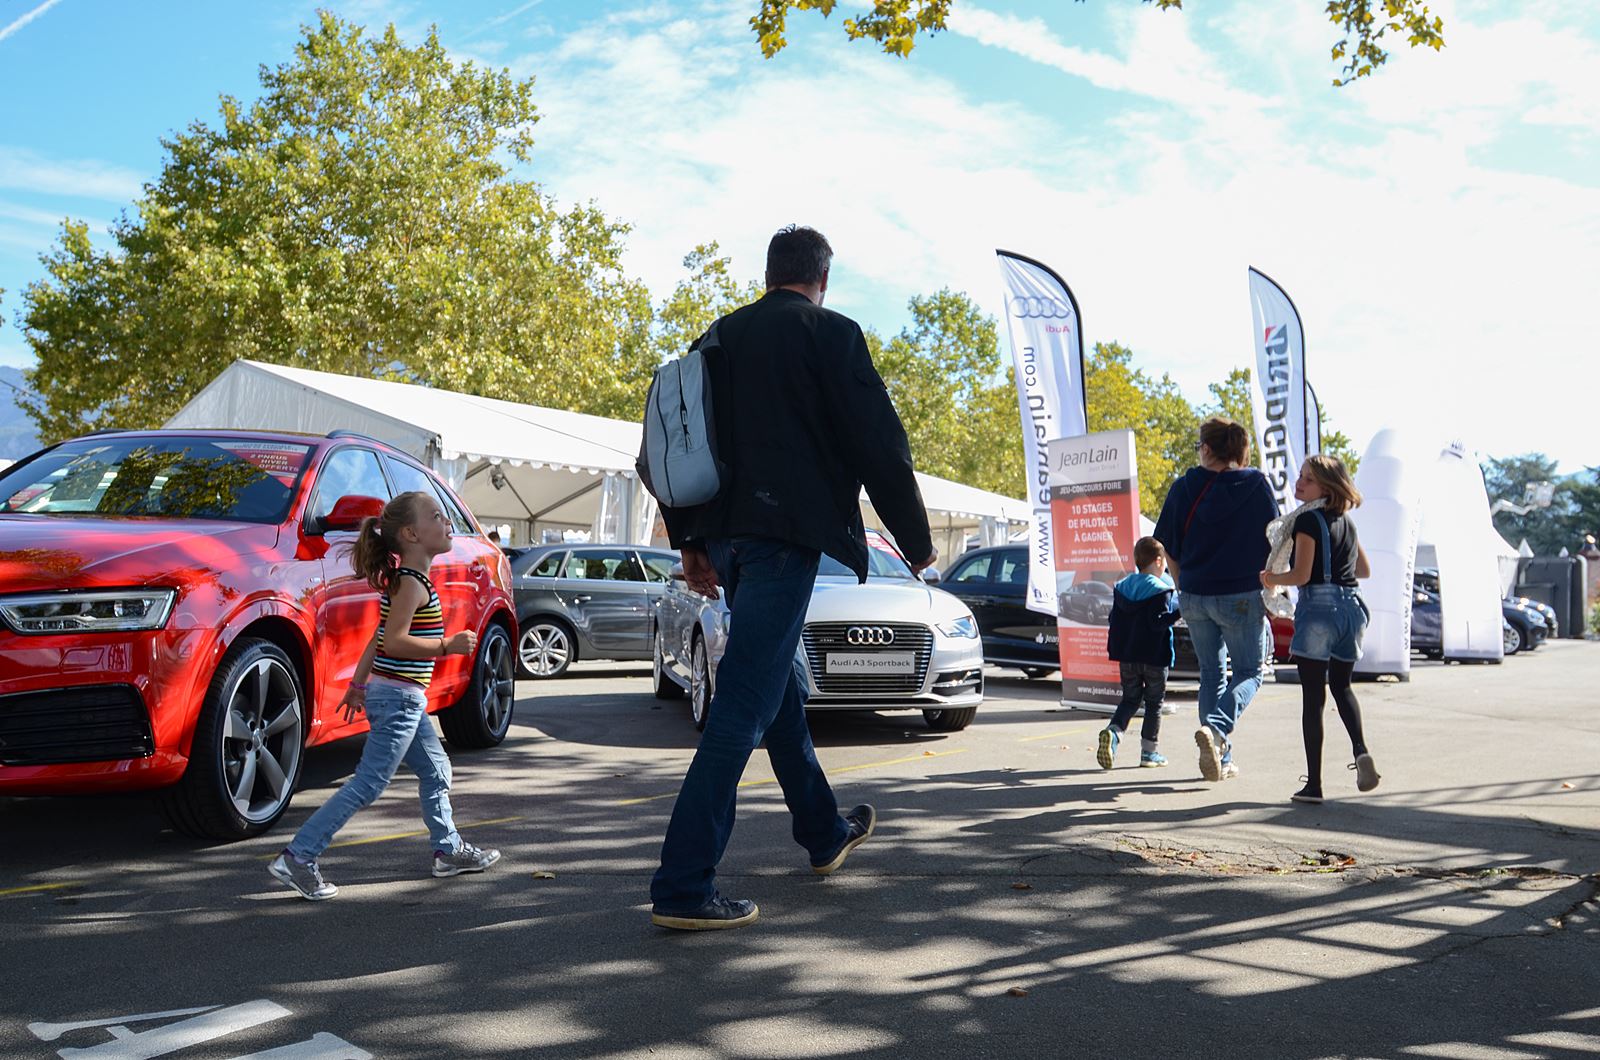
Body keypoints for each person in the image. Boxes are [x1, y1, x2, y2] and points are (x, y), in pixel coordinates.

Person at [649, 225, 936, 931]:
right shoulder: (830, 334)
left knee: (780, 686)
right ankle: (684, 886)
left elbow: (677, 438)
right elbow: (879, 443)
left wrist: (690, 540)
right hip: (785, 538)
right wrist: (917, 541)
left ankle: (823, 830)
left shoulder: (716, 338)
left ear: (770, 272)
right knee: (743, 702)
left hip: (726, 538)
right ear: (822, 280)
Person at [269, 490, 500, 901]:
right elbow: (394, 643)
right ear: (411, 533)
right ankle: (298, 857)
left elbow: (376, 641)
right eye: (437, 516)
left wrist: (359, 687)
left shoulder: (404, 581)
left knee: (435, 769)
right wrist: (447, 647)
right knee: (369, 783)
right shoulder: (411, 585)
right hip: (398, 700)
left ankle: (447, 851)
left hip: (397, 696)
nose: (448, 523)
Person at [1153, 418, 1278, 782]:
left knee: (1211, 674)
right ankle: (1218, 731)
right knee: (1250, 672)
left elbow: (1167, 545)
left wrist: (1182, 585)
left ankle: (1221, 757)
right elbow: (1275, 539)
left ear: (1207, 449)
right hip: (1240, 594)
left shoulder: (1182, 488)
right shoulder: (1255, 485)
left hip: (1194, 594)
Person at [1261, 456, 1381, 804]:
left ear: (1326, 487)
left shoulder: (1307, 521)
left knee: (1313, 698)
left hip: (1318, 609)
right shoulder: (1347, 523)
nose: (1299, 483)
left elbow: (1300, 575)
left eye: (1308, 479)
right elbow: (1364, 570)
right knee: (1342, 687)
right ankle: (1360, 751)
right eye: (1300, 476)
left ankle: (1314, 784)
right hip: (1353, 609)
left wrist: (1270, 579)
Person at [1098, 538, 1181, 770]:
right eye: (1164, 561)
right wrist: (1178, 612)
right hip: (1154, 657)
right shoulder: (1161, 590)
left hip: (1127, 656)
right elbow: (1158, 623)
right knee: (1154, 703)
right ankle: (1149, 753)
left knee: (1130, 699)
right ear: (1157, 561)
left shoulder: (1122, 587)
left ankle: (1113, 734)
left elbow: (1113, 619)